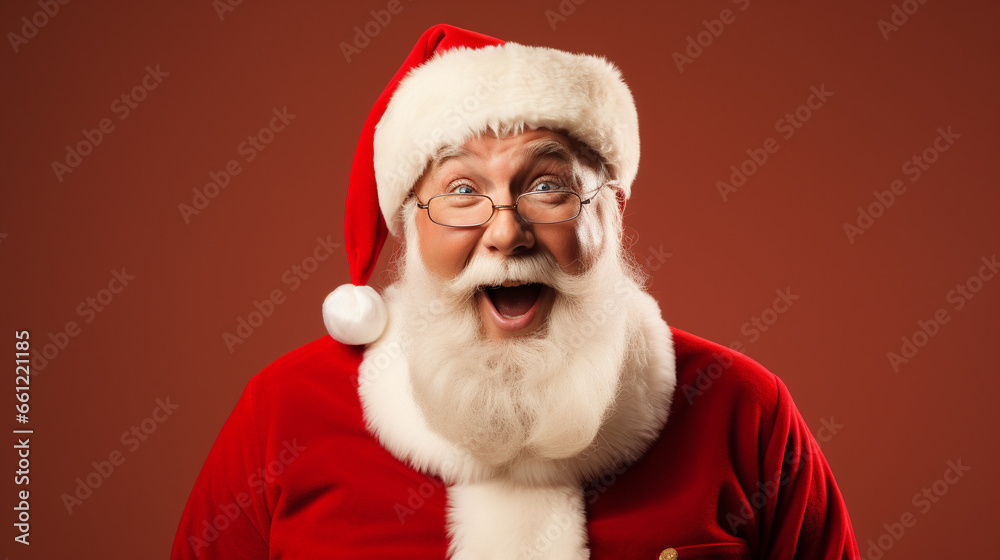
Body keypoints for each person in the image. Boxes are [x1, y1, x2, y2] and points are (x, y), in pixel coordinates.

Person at [171, 24, 860, 560]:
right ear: (410, 225)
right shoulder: (283, 415)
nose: (506, 232)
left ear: (613, 210)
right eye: (462, 191)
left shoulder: (743, 412)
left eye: (547, 186)